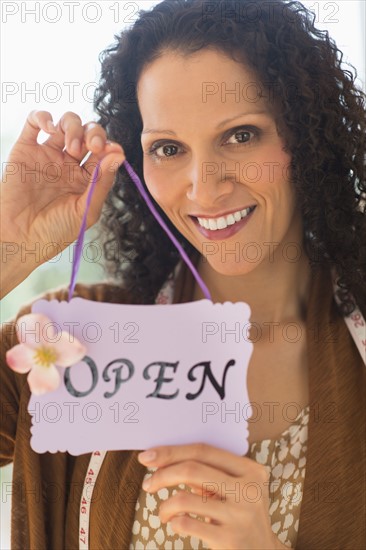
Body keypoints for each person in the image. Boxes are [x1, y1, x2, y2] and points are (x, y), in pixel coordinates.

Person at [1, 0, 365, 548]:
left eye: (241, 135)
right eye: (168, 148)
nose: (204, 186)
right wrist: (10, 247)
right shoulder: (66, 345)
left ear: (306, 140)